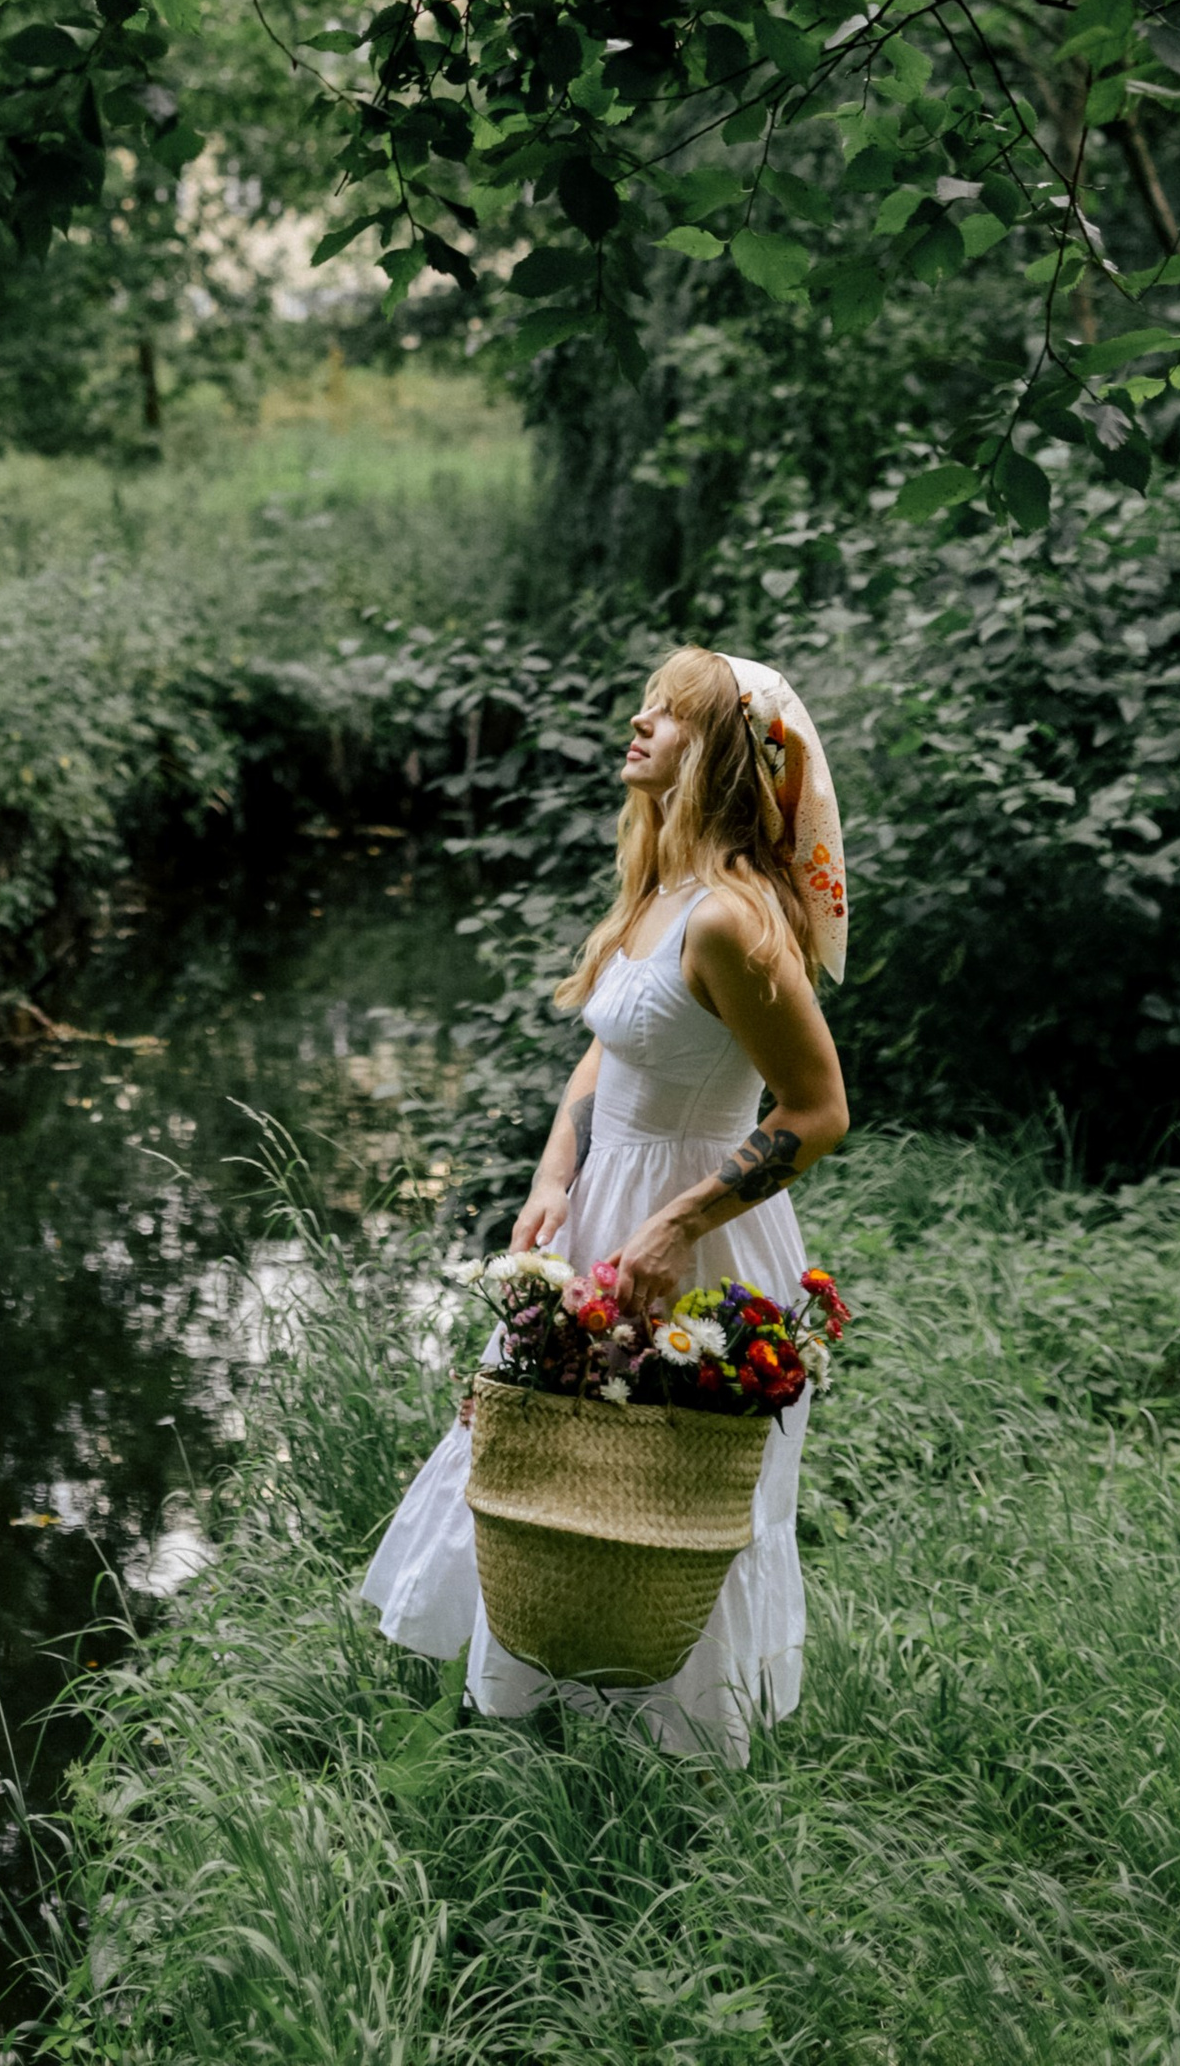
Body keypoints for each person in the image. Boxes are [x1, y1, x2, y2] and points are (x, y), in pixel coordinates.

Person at [357, 645, 851, 1761]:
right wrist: (553, 1176)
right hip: (601, 1209)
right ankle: (547, 1731)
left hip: (692, 1235)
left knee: (664, 1498)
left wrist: (675, 1227)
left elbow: (817, 1111)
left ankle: (668, 1766)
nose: (636, 725)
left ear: (718, 753)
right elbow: (603, 1054)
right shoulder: (657, 890)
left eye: (665, 717)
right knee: (555, 1466)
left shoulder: (730, 918)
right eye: (642, 708)